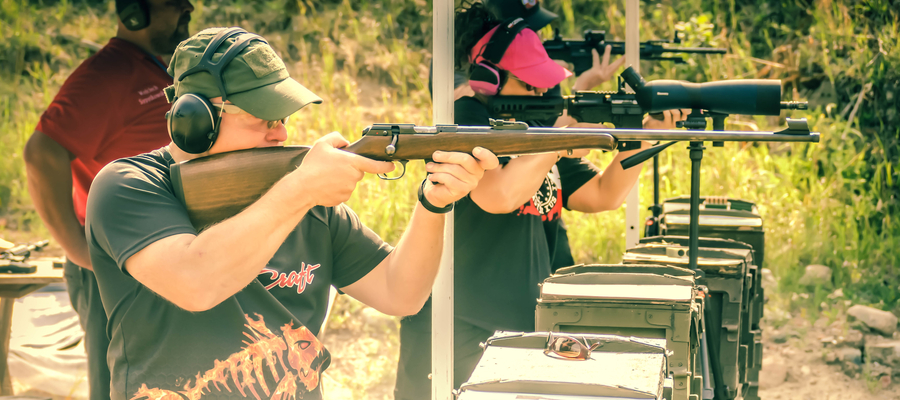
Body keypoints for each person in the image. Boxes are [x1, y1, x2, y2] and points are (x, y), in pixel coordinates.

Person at [84, 27, 498, 400]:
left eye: (282, 117)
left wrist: (434, 203)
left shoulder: (300, 195)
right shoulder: (128, 186)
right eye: (263, 118)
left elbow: (400, 293)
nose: (280, 133)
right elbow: (196, 283)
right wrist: (299, 189)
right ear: (195, 120)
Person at [394, 3, 687, 399]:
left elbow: (603, 194)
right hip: (457, 322)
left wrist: (645, 134)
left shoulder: (535, 130)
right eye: (529, 84)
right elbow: (497, 194)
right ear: (488, 79)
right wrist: (557, 141)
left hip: (518, 321)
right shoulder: (464, 118)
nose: (541, 92)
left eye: (543, 83)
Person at [22, 1, 194, 399]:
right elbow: (41, 152)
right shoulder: (108, 74)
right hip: (114, 259)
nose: (187, 7)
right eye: (172, 2)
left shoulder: (153, 68)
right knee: (118, 383)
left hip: (154, 254)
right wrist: (81, 251)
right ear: (135, 10)